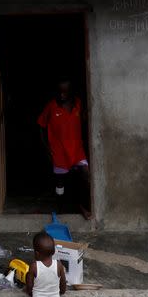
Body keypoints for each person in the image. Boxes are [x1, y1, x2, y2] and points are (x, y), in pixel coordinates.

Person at [37, 79, 91, 219]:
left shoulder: (79, 104)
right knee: (60, 183)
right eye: (59, 92)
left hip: (77, 151)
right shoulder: (51, 106)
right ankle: (60, 207)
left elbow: (85, 123)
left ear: (71, 92)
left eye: (65, 92)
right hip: (59, 152)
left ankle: (82, 206)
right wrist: (46, 147)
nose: (62, 95)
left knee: (85, 175)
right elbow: (41, 126)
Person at [25, 232, 66, 297]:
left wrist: (30, 293)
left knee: (27, 275)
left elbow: (29, 287)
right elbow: (63, 284)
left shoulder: (34, 266)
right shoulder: (59, 265)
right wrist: (61, 292)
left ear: (36, 253)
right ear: (54, 251)